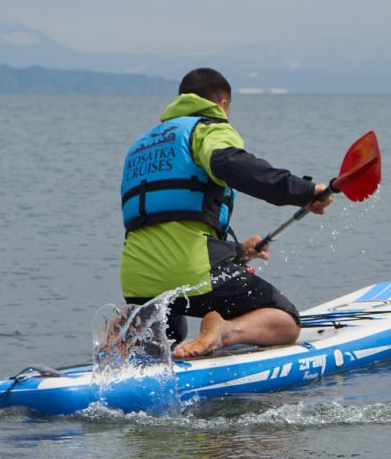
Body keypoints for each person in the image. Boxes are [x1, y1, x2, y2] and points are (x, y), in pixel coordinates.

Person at [118, 67, 332, 358]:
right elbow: (231, 164)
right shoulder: (206, 128)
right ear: (223, 105)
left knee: (164, 344)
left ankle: (126, 340)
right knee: (285, 320)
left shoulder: (141, 145)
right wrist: (304, 191)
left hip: (137, 279)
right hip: (190, 271)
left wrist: (236, 251)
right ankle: (223, 331)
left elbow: (167, 224)